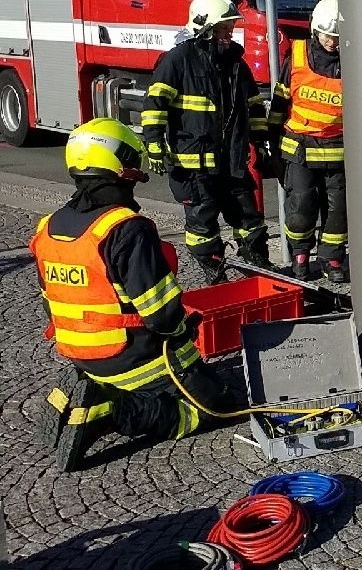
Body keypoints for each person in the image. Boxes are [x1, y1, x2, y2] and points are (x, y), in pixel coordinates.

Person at [32, 118, 241, 472]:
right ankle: (114, 411)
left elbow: (50, 304)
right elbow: (161, 314)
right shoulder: (125, 229)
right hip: (133, 361)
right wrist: (184, 334)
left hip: (81, 355)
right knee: (214, 409)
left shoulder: (47, 228)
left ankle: (83, 391)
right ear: (115, 164)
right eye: (130, 161)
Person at [142, 0, 274, 285]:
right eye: (223, 28)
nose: (229, 33)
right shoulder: (177, 61)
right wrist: (153, 145)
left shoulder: (236, 64)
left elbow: (252, 105)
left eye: (230, 27)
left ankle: (258, 263)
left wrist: (260, 142)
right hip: (194, 164)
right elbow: (154, 106)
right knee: (203, 223)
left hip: (232, 161)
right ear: (204, 27)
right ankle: (214, 272)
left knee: (248, 217)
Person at [268, 0, 349, 283]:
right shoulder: (298, 56)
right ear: (316, 30)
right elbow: (279, 104)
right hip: (299, 149)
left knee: (338, 211)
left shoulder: (352, 62)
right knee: (300, 207)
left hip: (337, 151)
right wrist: (272, 145)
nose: (333, 43)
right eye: (328, 36)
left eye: (338, 37)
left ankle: (332, 258)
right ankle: (300, 256)